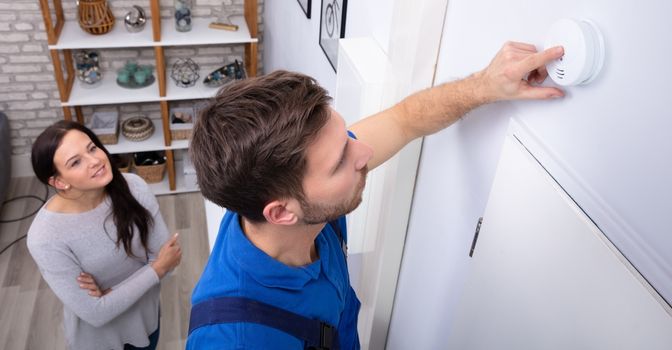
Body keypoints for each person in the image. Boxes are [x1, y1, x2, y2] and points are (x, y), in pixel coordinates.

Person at [186, 42, 565, 349]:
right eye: (339, 162)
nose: (363, 153)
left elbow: (405, 118)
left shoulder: (301, 203)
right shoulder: (233, 339)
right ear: (282, 212)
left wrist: (485, 84)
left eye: (345, 135)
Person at [26, 121, 182, 350]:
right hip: (100, 341)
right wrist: (155, 269)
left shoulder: (135, 187)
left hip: (147, 321)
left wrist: (111, 294)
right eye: (76, 162)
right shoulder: (45, 238)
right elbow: (97, 314)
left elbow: (170, 262)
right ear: (59, 181)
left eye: (92, 148)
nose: (95, 161)